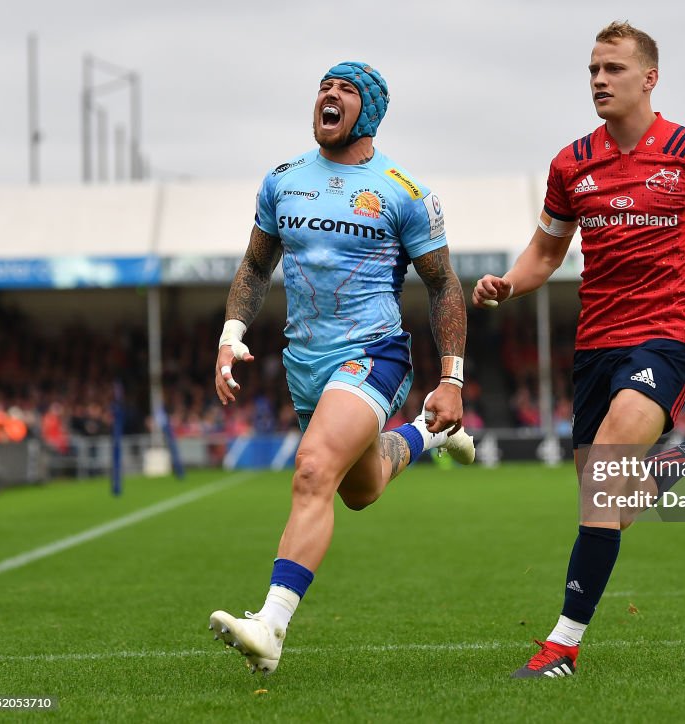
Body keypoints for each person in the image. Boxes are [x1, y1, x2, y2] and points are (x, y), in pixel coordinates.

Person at [473, 21, 685, 678]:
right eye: (593, 71)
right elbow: (547, 249)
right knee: (611, 502)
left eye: (613, 69)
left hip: (665, 337)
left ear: (649, 78)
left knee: (602, 482)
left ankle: (562, 646)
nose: (600, 80)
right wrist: (509, 283)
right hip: (594, 346)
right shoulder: (571, 164)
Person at [209, 60, 475, 675]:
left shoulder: (404, 191)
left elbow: (445, 288)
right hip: (305, 362)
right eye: (324, 86)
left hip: (375, 352)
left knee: (311, 472)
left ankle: (270, 625)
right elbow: (254, 268)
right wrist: (230, 335)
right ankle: (433, 435)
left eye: (346, 89)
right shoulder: (282, 181)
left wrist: (453, 378)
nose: (330, 95)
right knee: (361, 489)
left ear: (370, 111)